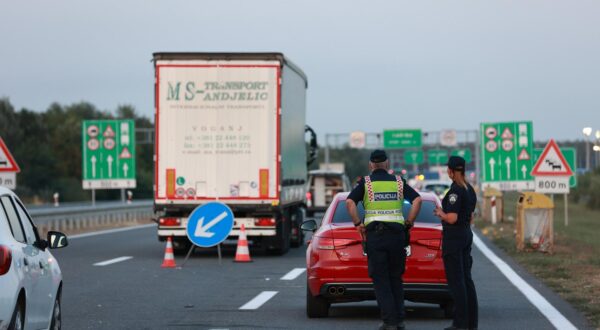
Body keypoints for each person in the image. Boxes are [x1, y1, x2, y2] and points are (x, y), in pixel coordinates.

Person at [346, 150, 422, 330]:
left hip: (376, 237)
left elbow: (349, 203)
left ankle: (390, 321)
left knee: (381, 280)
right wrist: (409, 222)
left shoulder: (365, 183)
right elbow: (418, 200)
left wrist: (358, 223)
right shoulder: (399, 182)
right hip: (397, 236)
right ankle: (400, 320)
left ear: (371, 165)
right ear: (387, 164)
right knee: (396, 278)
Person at [434, 156, 478, 330]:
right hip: (466, 233)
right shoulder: (470, 189)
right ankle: (471, 323)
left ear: (451, 171)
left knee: (456, 281)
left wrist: (440, 213)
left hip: (454, 237)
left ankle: (459, 324)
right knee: (467, 280)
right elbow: (471, 215)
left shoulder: (455, 191)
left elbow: (452, 218)